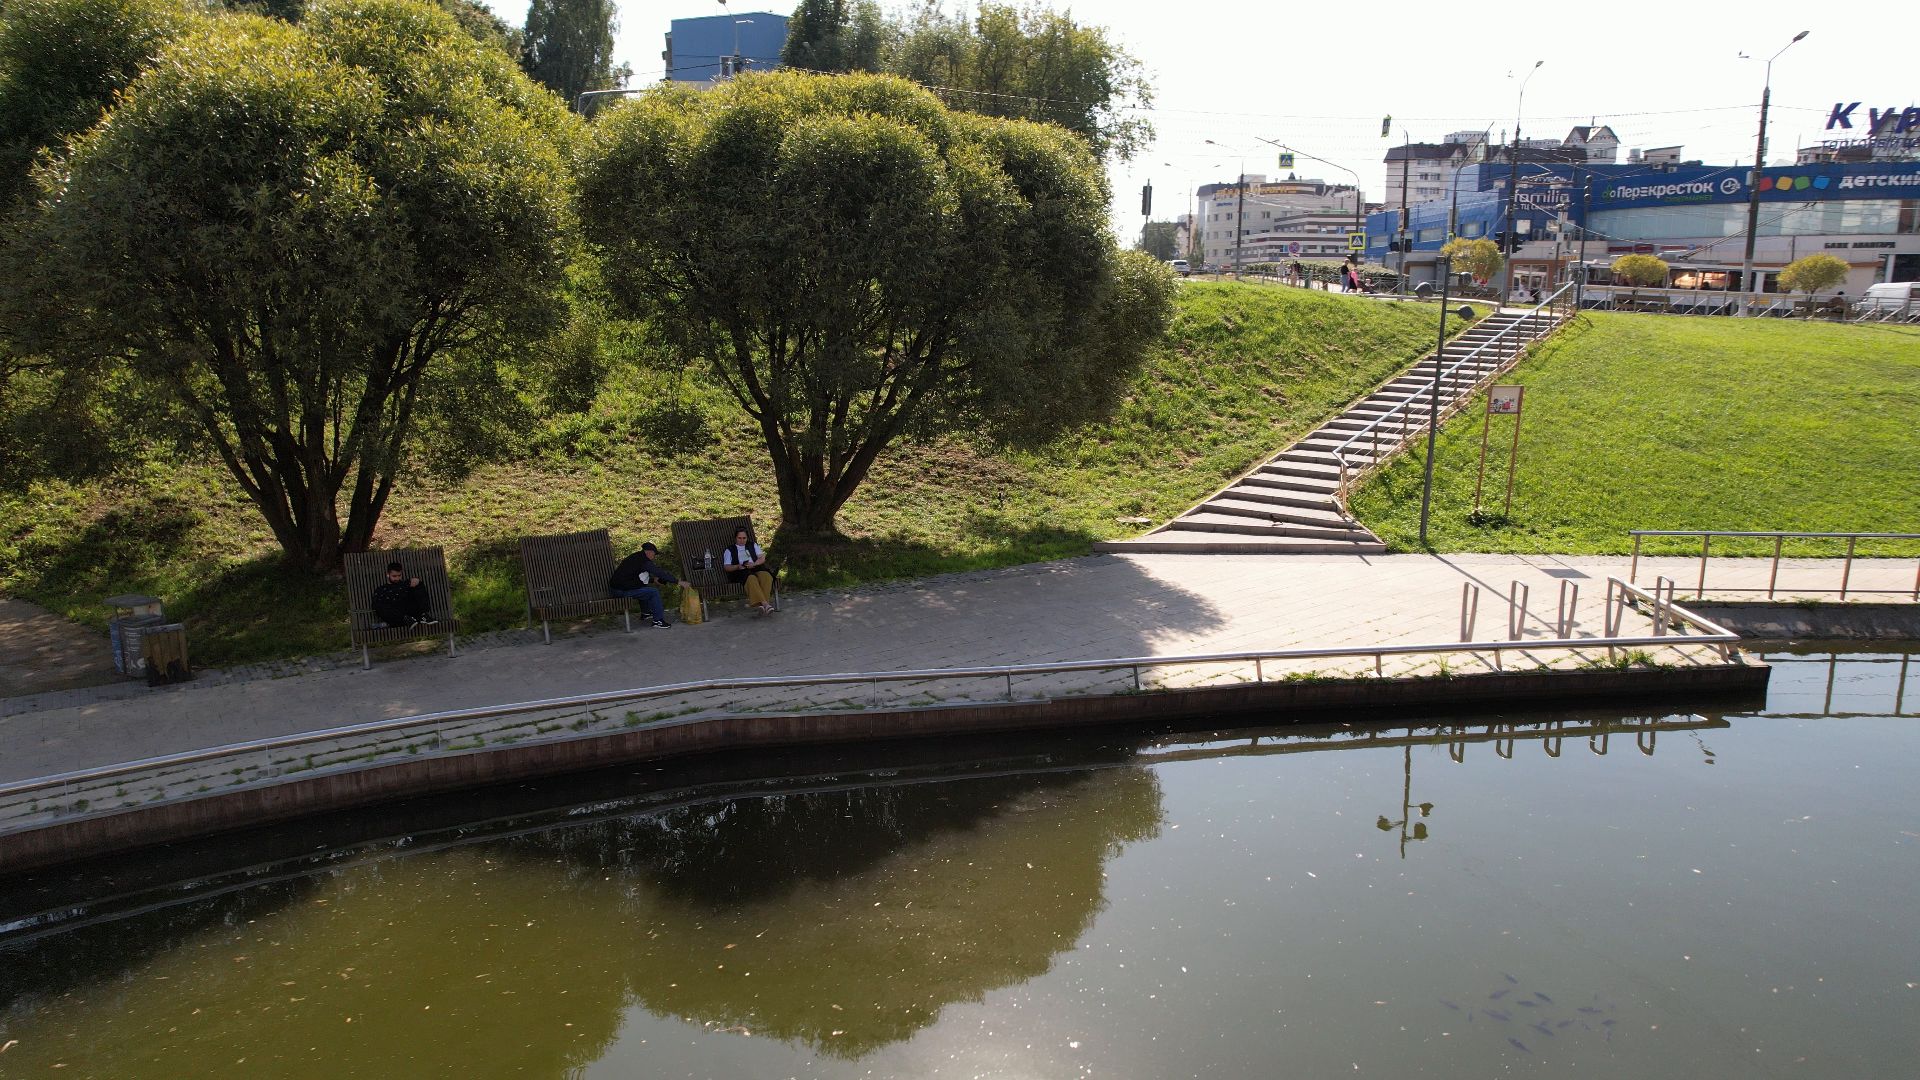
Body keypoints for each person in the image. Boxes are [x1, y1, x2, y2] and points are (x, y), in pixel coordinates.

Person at [609, 542, 674, 627]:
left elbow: (635, 577)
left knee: (643, 588)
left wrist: (652, 580)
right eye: (654, 554)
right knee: (653, 592)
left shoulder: (636, 557)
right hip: (620, 591)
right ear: (648, 552)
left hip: (618, 588)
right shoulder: (644, 561)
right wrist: (678, 582)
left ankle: (646, 613)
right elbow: (660, 573)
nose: (654, 557)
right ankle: (658, 621)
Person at [721, 525, 777, 614]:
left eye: (744, 538)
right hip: (740, 571)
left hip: (755, 567)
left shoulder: (752, 545)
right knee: (751, 578)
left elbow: (762, 558)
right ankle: (765, 604)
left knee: (766, 576)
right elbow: (726, 567)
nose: (742, 540)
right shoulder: (730, 550)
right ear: (735, 538)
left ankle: (762, 606)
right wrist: (737, 566)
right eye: (739, 538)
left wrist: (754, 564)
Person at [371, 561, 437, 628]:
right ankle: (406, 619)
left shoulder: (406, 584)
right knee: (378, 604)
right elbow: (376, 606)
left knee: (418, 585)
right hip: (396, 617)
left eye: (399, 575)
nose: (397, 578)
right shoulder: (381, 589)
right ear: (388, 574)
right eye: (394, 576)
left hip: (411, 613)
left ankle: (423, 615)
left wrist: (416, 581)